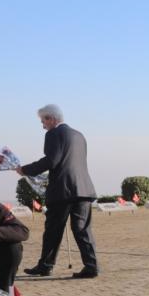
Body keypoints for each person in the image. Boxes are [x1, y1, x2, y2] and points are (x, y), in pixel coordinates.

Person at [17, 104, 99, 278]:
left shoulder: (53, 134)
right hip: (83, 188)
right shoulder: (79, 135)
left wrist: (25, 169)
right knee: (82, 229)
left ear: (51, 119)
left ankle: (46, 266)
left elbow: (51, 161)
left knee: (53, 230)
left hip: (63, 190)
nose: (43, 125)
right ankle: (92, 266)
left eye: (43, 121)